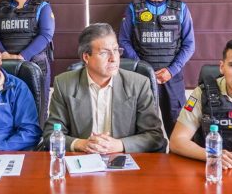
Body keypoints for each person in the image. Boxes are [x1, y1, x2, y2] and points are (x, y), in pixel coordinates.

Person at [43, 23, 166, 153]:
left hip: (124, 159)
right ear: (86, 57)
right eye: (104, 53)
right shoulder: (64, 84)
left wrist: (119, 145)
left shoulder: (139, 84)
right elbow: (51, 133)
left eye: (116, 50)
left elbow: (154, 136)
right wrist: (81, 144)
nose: (113, 58)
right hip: (82, 158)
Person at [119, 0, 195, 137]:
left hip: (171, 77)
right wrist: (143, 68)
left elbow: (189, 45)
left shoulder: (181, 8)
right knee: (140, 126)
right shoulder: (133, 8)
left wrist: (171, 70)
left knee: (177, 128)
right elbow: (123, 41)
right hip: (142, 78)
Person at [0, 0, 55, 126]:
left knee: (37, 110)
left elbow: (46, 35)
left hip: (35, 64)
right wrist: (3, 53)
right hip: (5, 64)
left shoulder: (42, 6)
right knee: (5, 108)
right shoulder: (0, 8)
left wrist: (22, 56)